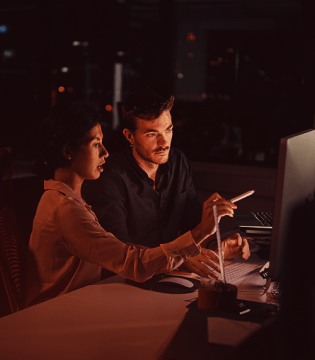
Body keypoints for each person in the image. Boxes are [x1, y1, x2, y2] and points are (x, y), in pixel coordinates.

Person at [25, 101, 245, 307]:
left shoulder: (69, 199)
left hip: (80, 303)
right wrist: (200, 233)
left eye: (168, 130)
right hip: (58, 313)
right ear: (67, 152)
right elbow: (133, 263)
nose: (105, 152)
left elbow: (125, 253)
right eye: (96, 144)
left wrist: (210, 248)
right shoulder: (66, 209)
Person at [82, 91, 250, 278]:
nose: (164, 143)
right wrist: (177, 258)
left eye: (168, 130)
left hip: (172, 275)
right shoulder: (109, 177)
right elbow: (120, 249)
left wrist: (215, 245)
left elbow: (192, 221)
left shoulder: (178, 162)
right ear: (130, 137)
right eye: (152, 134)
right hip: (125, 281)